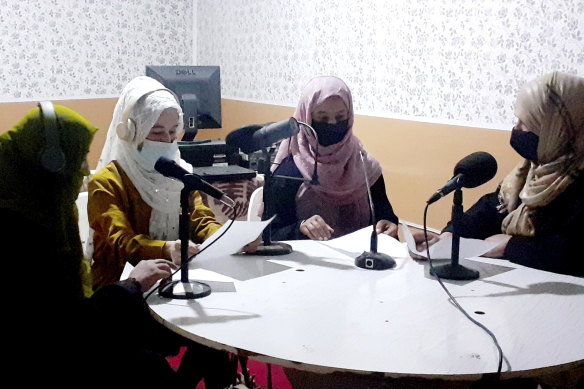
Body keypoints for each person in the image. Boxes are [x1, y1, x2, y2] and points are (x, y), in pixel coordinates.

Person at [0, 103, 190, 387]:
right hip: (47, 354)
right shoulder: (19, 230)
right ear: (51, 160)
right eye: (78, 157)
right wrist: (132, 285)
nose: (86, 169)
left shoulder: (42, 201)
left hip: (75, 329)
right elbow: (66, 325)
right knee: (149, 367)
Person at [412, 71, 584, 277]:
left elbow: (573, 253)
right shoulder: (531, 170)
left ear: (557, 129)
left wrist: (510, 247)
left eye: (527, 123)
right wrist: (450, 236)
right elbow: (491, 209)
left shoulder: (577, 180)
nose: (516, 129)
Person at [266, 75, 399, 241]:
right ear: (306, 117)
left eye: (340, 117)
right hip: (309, 264)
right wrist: (300, 227)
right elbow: (270, 233)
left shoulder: (365, 166)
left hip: (361, 262)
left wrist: (389, 224)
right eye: (322, 118)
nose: (332, 124)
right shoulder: (288, 171)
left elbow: (385, 216)